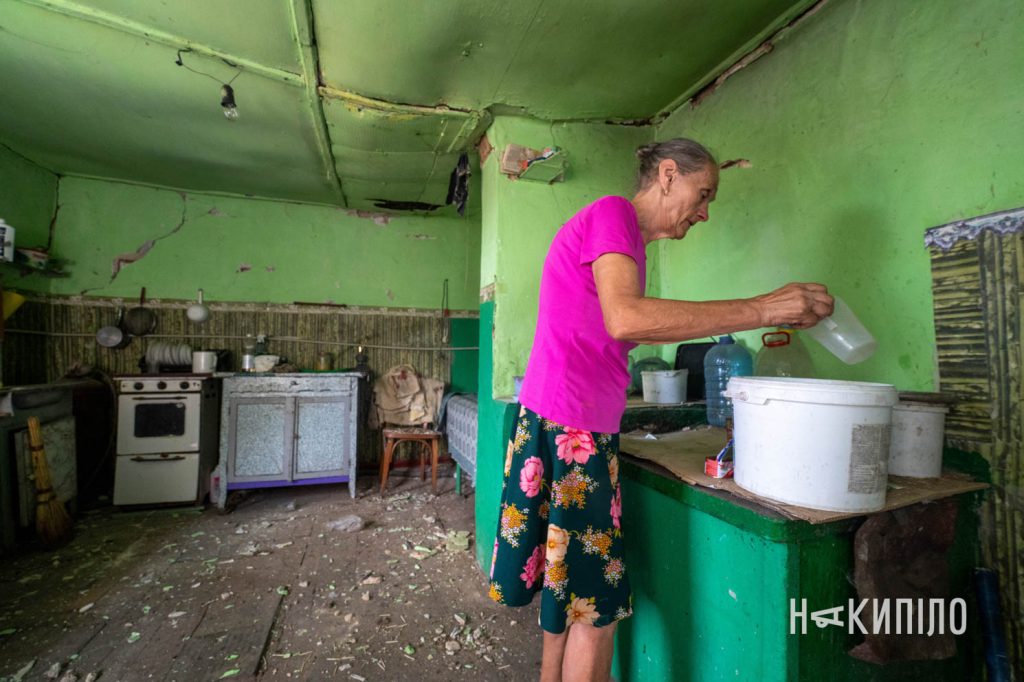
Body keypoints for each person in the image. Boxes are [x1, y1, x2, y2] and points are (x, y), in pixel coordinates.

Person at [487, 138, 833, 682]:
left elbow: (610, 323)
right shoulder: (613, 214)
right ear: (668, 174)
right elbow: (626, 318)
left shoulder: (624, 239)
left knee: (568, 589)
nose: (705, 212)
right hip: (571, 427)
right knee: (594, 609)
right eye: (704, 194)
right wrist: (766, 306)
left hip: (559, 420)